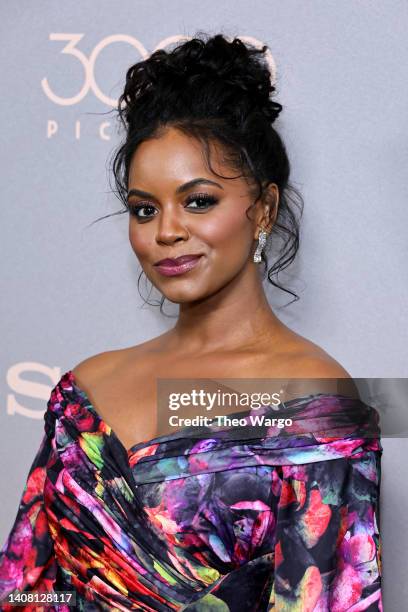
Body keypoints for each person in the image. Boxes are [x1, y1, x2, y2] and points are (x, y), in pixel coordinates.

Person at [0, 34, 382, 611]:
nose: (166, 231)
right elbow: (28, 588)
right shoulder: (85, 391)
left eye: (198, 200)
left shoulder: (315, 397)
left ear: (265, 210)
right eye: (144, 209)